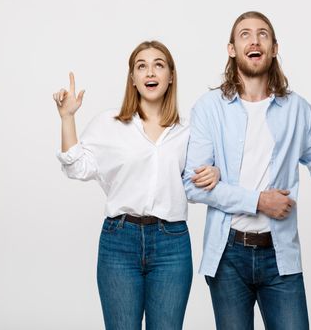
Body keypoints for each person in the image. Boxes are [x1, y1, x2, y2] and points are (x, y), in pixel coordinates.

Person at [183, 11, 311, 330]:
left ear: (275, 47)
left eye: (263, 34)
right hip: (227, 257)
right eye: (245, 34)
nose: (254, 40)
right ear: (231, 49)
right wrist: (258, 201)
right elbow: (193, 186)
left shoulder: (297, 109)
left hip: (280, 255)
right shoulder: (208, 109)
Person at [53, 40, 220, 330]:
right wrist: (68, 118)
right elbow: (77, 167)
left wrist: (215, 172)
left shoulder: (188, 130)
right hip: (120, 240)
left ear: (171, 76)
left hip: (172, 243)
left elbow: (196, 181)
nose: (150, 72)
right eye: (141, 66)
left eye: (158, 65)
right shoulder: (110, 123)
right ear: (132, 79)